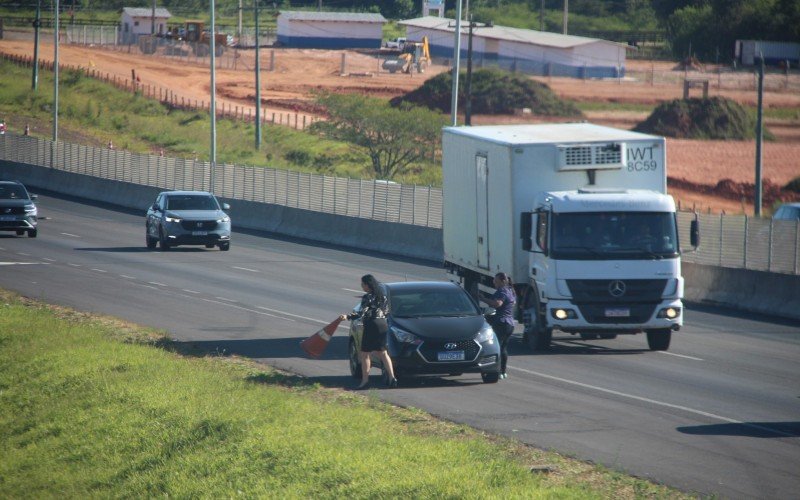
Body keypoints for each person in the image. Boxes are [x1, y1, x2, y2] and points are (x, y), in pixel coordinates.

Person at [339, 274, 397, 389]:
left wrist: (348, 317)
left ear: (367, 285)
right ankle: (392, 378)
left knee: (365, 354)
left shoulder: (367, 297)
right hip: (383, 324)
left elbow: (362, 313)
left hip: (372, 325)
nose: (362, 286)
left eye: (362, 284)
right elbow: (386, 312)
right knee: (383, 353)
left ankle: (365, 381)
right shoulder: (383, 296)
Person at [480, 272, 516, 380]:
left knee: (496, 348)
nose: (494, 283)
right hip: (510, 323)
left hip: (501, 322)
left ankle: (496, 370)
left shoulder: (502, 291)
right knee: (503, 348)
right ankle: (503, 372)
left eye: (496, 281)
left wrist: (482, 298)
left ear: (503, 281)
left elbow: (497, 304)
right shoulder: (511, 291)